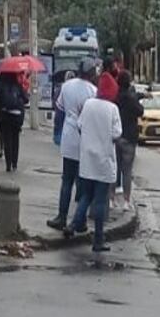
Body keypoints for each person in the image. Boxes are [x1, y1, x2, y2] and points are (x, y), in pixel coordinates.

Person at [64, 72, 122, 253]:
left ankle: (73, 225)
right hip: (103, 161)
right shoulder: (112, 109)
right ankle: (98, 240)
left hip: (87, 159)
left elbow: (80, 126)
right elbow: (116, 134)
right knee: (99, 200)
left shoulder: (88, 105)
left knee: (85, 196)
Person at [48, 58, 97, 231]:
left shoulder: (67, 86)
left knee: (66, 180)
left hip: (69, 136)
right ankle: (79, 220)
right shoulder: (93, 91)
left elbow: (59, 110)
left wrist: (57, 132)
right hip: (85, 139)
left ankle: (61, 216)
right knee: (82, 183)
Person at [114, 70, 143, 212]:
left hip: (115, 136)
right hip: (129, 138)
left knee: (114, 169)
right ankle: (126, 201)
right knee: (127, 171)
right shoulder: (131, 99)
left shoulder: (115, 97)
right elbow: (140, 111)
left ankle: (110, 199)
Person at [0, 72, 28, 173]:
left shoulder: (1, 87)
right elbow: (26, 99)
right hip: (16, 117)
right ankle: (15, 163)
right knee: (15, 139)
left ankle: (8, 164)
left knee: (7, 140)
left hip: (5, 117)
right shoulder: (17, 86)